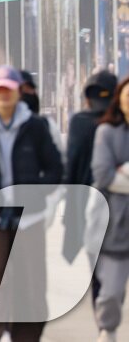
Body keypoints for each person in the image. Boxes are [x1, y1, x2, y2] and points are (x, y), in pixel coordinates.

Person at [0, 65, 64, 342]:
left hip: (29, 215)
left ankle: (25, 335)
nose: (4, 95)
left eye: (9, 89)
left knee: (32, 279)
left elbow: (55, 168)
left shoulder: (36, 127)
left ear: (18, 92)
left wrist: (38, 193)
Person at [67, 70, 119, 275]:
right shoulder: (120, 123)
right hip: (115, 201)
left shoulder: (79, 122)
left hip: (88, 201)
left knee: (97, 262)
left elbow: (72, 163)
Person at [91, 77, 129, 342]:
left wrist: (124, 171)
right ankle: (108, 331)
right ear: (120, 100)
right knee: (111, 293)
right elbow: (103, 175)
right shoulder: (106, 132)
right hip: (117, 225)